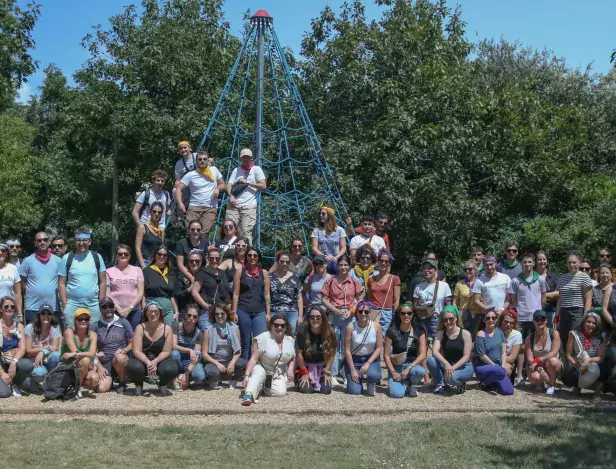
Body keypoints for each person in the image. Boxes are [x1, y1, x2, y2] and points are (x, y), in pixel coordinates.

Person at [321, 255, 364, 386]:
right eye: (341, 265)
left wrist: (352, 310)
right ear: (337, 266)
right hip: (334, 314)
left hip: (349, 315)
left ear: (349, 266)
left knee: (348, 345)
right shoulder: (330, 281)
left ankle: (346, 373)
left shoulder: (355, 281)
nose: (343, 267)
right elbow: (323, 299)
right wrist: (333, 309)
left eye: (346, 265)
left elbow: (360, 299)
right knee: (334, 345)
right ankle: (333, 373)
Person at [241, 314, 295, 405]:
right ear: (271, 325)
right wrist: (246, 375)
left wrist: (290, 369)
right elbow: (253, 358)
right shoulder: (262, 338)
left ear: (286, 327)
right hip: (261, 366)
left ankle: (264, 387)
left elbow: (293, 357)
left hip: (277, 372)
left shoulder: (290, 340)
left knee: (280, 393)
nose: (279, 327)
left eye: (282, 325)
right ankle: (248, 395)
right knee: (258, 373)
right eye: (276, 325)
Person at [127, 301, 179, 396]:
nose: (153, 314)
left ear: (160, 313)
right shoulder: (140, 328)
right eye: (150, 311)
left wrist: (155, 361)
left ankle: (162, 383)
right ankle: (139, 384)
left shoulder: (167, 329)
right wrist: (148, 362)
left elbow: (167, 351)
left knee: (172, 368)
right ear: (146, 313)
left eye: (156, 311)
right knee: (132, 365)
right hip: (142, 360)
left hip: (160, 360)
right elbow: (136, 350)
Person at [58, 227, 106, 326]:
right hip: (72, 305)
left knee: (93, 335)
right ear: (74, 242)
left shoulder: (97, 257)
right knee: (70, 335)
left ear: (90, 241)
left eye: (84, 240)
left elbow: (103, 281)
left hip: (93, 305)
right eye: (78, 240)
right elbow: (61, 283)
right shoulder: (67, 258)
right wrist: (65, 305)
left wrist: (101, 303)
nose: (81, 243)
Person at [232, 247, 271, 359]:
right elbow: (235, 293)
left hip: (259, 311)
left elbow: (267, 294)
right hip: (243, 309)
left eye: (255, 255)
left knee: (259, 341)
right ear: (246, 257)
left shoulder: (264, 273)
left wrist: (268, 313)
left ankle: (257, 367)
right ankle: (245, 367)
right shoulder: (240, 272)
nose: (252, 257)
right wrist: (234, 312)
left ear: (258, 257)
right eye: (249, 255)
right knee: (246, 341)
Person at [176, 151, 225, 236]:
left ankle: (202, 249)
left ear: (207, 160)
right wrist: (180, 203)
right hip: (194, 207)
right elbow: (178, 188)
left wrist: (217, 189)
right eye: (200, 159)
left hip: (210, 208)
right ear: (196, 161)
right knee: (190, 232)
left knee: (203, 234)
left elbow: (223, 185)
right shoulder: (191, 175)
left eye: (204, 159)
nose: (202, 161)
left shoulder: (214, 170)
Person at [427, 306, 473, 394]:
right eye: (445, 320)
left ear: (456, 318)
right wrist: (446, 364)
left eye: (451, 319)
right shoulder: (440, 333)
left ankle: (460, 383)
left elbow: (466, 356)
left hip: (464, 366)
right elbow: (435, 351)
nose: (448, 322)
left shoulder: (465, 334)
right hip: (448, 364)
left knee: (449, 378)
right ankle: (441, 384)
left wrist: (452, 368)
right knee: (431, 360)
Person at [91, 297, 133, 394]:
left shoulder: (123, 322)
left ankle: (122, 382)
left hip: (120, 360)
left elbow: (133, 342)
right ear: (100, 310)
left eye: (110, 306)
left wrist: (125, 350)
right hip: (105, 362)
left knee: (120, 358)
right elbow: (91, 351)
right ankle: (110, 380)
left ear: (114, 308)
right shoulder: (95, 326)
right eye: (105, 307)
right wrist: (99, 366)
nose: (108, 309)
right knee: (101, 389)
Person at [384, 303, 427, 398]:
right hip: (397, 366)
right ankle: (400, 384)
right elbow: (386, 355)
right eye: (403, 313)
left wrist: (409, 367)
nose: (406, 315)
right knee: (397, 395)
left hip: (412, 365)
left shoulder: (419, 330)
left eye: (409, 313)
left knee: (421, 371)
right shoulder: (392, 331)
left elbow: (423, 354)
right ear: (399, 315)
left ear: (413, 314)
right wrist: (393, 372)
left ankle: (411, 385)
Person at [19, 232, 62, 326]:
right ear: (35, 243)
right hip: (33, 307)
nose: (42, 242)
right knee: (32, 337)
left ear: (49, 241)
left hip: (53, 307)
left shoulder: (58, 261)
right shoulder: (27, 261)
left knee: (53, 337)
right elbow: (21, 284)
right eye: (39, 240)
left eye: (45, 240)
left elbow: (62, 283)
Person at [226, 148, 267, 245]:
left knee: (246, 232)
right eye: (244, 157)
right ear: (241, 158)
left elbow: (263, 186)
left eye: (248, 157)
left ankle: (247, 255)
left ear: (251, 158)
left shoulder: (256, 169)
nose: (246, 159)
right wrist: (231, 195)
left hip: (249, 206)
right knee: (229, 229)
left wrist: (248, 183)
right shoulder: (236, 170)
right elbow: (229, 184)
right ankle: (229, 252)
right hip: (234, 204)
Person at [562, 311, 606, 400]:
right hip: (577, 364)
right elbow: (569, 355)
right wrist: (579, 366)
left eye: (594, 323)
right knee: (568, 375)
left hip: (593, 364)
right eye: (588, 322)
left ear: (597, 325)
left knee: (605, 369)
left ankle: (597, 391)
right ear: (584, 322)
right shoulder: (574, 334)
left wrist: (588, 361)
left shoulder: (601, 337)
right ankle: (577, 387)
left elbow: (600, 357)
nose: (590, 325)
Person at [202, 304, 247, 390]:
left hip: (229, 360)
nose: (219, 316)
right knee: (211, 372)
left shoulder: (235, 328)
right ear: (213, 315)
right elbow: (204, 354)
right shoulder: (209, 330)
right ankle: (216, 379)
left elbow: (238, 351)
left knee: (245, 364)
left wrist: (232, 363)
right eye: (217, 314)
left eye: (222, 313)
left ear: (227, 314)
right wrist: (217, 364)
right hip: (215, 361)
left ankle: (233, 379)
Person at [343, 301, 383, 396]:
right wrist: (352, 370)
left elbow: (378, 348)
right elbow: (347, 350)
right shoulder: (350, 327)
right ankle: (354, 378)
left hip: (370, 359)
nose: (363, 314)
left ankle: (370, 383)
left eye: (366, 312)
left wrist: (367, 363)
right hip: (355, 360)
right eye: (360, 312)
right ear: (356, 313)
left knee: (376, 375)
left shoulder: (376, 327)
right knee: (355, 391)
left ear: (370, 313)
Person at [294, 306, 336, 395]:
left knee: (325, 391)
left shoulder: (330, 332)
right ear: (308, 319)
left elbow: (332, 354)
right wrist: (304, 372)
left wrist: (327, 371)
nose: (315, 319)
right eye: (312, 317)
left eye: (318, 317)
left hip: (322, 367)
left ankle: (319, 380)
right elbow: (298, 354)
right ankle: (299, 380)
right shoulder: (302, 331)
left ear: (323, 318)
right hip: (306, 366)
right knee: (307, 391)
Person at [473, 308, 514, 395]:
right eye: (488, 318)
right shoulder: (480, 334)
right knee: (499, 371)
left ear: (496, 319)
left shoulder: (500, 333)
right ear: (484, 320)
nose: (491, 320)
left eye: (493, 318)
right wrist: (495, 366)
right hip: (483, 367)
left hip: (498, 368)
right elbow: (482, 355)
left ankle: (490, 383)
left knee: (509, 391)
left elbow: (503, 352)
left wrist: (502, 366)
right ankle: (485, 381)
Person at [556, 251, 593, 346]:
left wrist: (585, 318)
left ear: (579, 262)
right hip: (564, 312)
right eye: (569, 262)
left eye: (574, 262)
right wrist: (556, 318)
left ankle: (576, 360)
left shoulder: (585, 278)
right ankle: (565, 361)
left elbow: (588, 300)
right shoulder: (562, 278)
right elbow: (560, 300)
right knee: (564, 339)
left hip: (577, 312)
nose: (571, 265)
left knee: (575, 339)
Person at [0, 297, 33, 397]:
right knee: (4, 393)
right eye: (6, 306)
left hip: (13, 362)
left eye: (12, 307)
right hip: (1, 364)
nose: (9, 308)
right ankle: (8, 382)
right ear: (0, 309)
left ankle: (15, 384)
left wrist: (14, 362)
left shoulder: (19, 326)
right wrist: (2, 373)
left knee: (27, 365)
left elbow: (22, 348)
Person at [106, 244, 144, 332]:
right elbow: (107, 293)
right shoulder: (109, 271)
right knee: (117, 335)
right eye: (120, 254)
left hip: (134, 310)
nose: (123, 255)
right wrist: (119, 309)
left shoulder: (138, 270)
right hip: (115, 311)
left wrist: (129, 308)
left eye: (126, 254)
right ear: (116, 256)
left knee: (134, 335)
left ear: (130, 256)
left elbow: (140, 292)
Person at [509, 253, 547, 341]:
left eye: (529, 262)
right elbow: (513, 298)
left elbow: (544, 296)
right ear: (521, 263)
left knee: (536, 341)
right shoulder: (516, 280)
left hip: (536, 317)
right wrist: (518, 308)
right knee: (521, 342)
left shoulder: (540, 279)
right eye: (525, 262)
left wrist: (539, 308)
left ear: (533, 263)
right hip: (522, 316)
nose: (527, 264)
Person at [24, 303, 61, 391]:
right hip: (33, 360)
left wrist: (42, 352)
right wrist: (46, 347)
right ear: (39, 315)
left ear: (52, 316)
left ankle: (51, 382)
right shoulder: (30, 327)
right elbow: (28, 350)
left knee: (56, 355)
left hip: (47, 359)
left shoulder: (55, 328)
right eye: (43, 313)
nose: (46, 315)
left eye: (49, 313)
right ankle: (30, 381)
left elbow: (55, 347)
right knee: (39, 374)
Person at [60, 308, 99, 392]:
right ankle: (75, 389)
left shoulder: (93, 335)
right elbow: (75, 353)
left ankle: (75, 386)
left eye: (86, 319)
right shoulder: (69, 332)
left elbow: (92, 354)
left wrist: (76, 354)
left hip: (82, 366)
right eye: (80, 319)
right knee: (85, 360)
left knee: (94, 379)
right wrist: (78, 355)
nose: (83, 321)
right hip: (68, 365)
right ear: (75, 321)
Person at [525, 309, 562, 395]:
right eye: (537, 319)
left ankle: (551, 385)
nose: (540, 321)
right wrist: (541, 369)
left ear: (546, 320)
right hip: (538, 366)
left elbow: (554, 352)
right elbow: (530, 359)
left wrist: (540, 359)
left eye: (543, 319)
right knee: (535, 377)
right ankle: (540, 383)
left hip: (552, 364)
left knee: (552, 361)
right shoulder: (529, 338)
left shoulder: (554, 333)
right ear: (534, 321)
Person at [413, 258, 452, 339]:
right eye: (424, 268)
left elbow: (448, 304)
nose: (427, 270)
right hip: (422, 319)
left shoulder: (444, 286)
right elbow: (415, 305)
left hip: (438, 319)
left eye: (429, 268)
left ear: (435, 270)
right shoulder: (418, 287)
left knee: (437, 342)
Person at [192, 248, 230, 331]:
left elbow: (226, 291)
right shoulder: (202, 273)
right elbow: (194, 292)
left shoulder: (223, 273)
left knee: (222, 338)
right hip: (207, 312)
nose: (214, 261)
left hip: (221, 312)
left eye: (217, 259)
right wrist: (205, 305)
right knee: (208, 337)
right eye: (212, 258)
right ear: (208, 258)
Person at [170, 304, 205, 389]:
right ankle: (175, 377)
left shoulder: (199, 333)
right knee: (174, 354)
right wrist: (189, 350)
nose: (191, 318)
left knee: (200, 377)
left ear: (197, 318)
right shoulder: (176, 326)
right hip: (177, 359)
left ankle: (184, 378)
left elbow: (197, 355)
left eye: (194, 316)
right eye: (189, 315)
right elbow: (173, 346)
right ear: (185, 315)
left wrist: (187, 373)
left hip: (190, 361)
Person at [143, 246, 179, 325]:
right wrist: (144, 308)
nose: (162, 257)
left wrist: (176, 312)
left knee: (167, 333)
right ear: (155, 255)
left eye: (164, 255)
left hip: (168, 310)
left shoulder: (171, 273)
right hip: (152, 309)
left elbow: (172, 296)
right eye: (159, 254)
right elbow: (143, 293)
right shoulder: (147, 271)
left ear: (167, 257)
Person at [368, 249, 400, 337]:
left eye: (386, 261)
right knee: (372, 336)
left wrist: (395, 314)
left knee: (384, 337)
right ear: (378, 262)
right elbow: (369, 298)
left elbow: (397, 300)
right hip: (373, 310)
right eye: (381, 261)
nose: (383, 263)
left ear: (389, 263)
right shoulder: (371, 279)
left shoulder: (394, 279)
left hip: (387, 312)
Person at [269, 251, 303, 335]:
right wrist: (268, 314)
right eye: (282, 261)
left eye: (287, 262)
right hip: (275, 311)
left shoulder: (295, 278)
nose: (284, 264)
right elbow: (267, 297)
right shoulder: (270, 277)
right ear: (277, 262)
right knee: (276, 336)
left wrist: (300, 316)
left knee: (291, 336)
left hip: (291, 311)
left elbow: (299, 298)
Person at [310, 204, 347, 275]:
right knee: (326, 263)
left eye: (323, 214)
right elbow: (314, 248)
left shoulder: (340, 230)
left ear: (329, 215)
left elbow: (344, 248)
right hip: (322, 259)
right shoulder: (316, 230)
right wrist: (325, 256)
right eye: (320, 214)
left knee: (335, 264)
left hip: (336, 258)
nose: (321, 215)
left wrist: (337, 257)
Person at [454, 260, 483, 336]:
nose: (467, 271)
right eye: (465, 269)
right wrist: (455, 314)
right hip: (463, 314)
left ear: (475, 270)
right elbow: (455, 301)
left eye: (470, 269)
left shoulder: (481, 282)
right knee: (464, 335)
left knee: (476, 335)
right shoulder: (460, 283)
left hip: (478, 313)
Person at [174, 250, 203, 324]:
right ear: (188, 262)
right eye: (191, 261)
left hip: (201, 312)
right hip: (184, 311)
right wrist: (189, 289)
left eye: (197, 261)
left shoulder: (204, 275)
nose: (194, 263)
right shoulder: (180, 276)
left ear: (201, 262)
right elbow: (176, 295)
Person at [497, 309, 524, 386]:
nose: (508, 325)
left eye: (511, 323)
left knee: (505, 370)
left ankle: (519, 375)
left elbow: (512, 358)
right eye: (506, 322)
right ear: (501, 321)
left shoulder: (517, 335)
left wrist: (496, 358)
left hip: (506, 360)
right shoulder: (495, 332)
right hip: (496, 360)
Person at [135, 202, 164, 269]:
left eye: (159, 212)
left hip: (156, 264)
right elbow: (137, 247)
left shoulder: (161, 232)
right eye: (154, 211)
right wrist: (142, 264)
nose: (156, 214)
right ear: (150, 212)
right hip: (145, 261)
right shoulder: (143, 227)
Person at [0, 242, 22, 322]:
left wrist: (19, 314)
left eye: (3, 251)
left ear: (7, 253)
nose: (0, 253)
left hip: (10, 311)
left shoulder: (12, 268)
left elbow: (17, 294)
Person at [536, 251, 559, 329]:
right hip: (536, 312)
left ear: (547, 261)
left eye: (544, 259)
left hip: (552, 312)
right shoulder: (532, 278)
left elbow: (559, 293)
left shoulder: (554, 277)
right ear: (535, 261)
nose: (542, 262)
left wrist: (543, 295)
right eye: (539, 260)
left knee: (552, 334)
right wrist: (551, 295)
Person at [174, 140, 196, 216]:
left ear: (190, 148)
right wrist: (177, 182)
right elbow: (178, 179)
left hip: (199, 184)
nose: (183, 150)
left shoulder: (197, 156)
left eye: (185, 147)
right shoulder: (179, 163)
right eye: (181, 149)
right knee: (175, 191)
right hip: (187, 186)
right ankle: (180, 214)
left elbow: (209, 160)